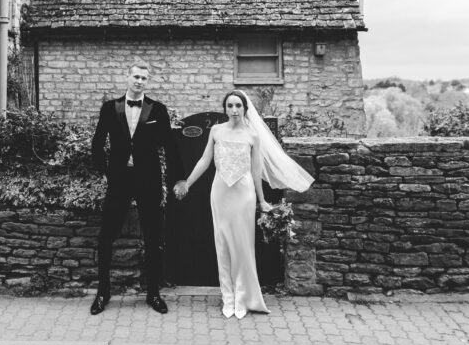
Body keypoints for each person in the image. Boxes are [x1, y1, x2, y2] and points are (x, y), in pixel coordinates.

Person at [174, 90, 313, 318]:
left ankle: (242, 298)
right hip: (219, 192)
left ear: (245, 108)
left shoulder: (253, 135)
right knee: (222, 244)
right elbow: (204, 159)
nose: (234, 110)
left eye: (238, 105)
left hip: (244, 194)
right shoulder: (216, 131)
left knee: (243, 246)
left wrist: (262, 201)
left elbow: (256, 170)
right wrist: (187, 183)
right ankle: (227, 298)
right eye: (230, 106)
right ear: (225, 108)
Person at [90, 61, 180, 315]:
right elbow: (97, 144)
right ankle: (102, 293)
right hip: (119, 180)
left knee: (153, 237)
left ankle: (153, 294)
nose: (139, 81)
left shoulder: (157, 110)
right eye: (136, 76)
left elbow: (170, 148)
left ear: (147, 82)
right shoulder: (110, 108)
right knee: (106, 236)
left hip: (148, 180)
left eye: (144, 78)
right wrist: (106, 173)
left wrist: (176, 180)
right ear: (127, 77)